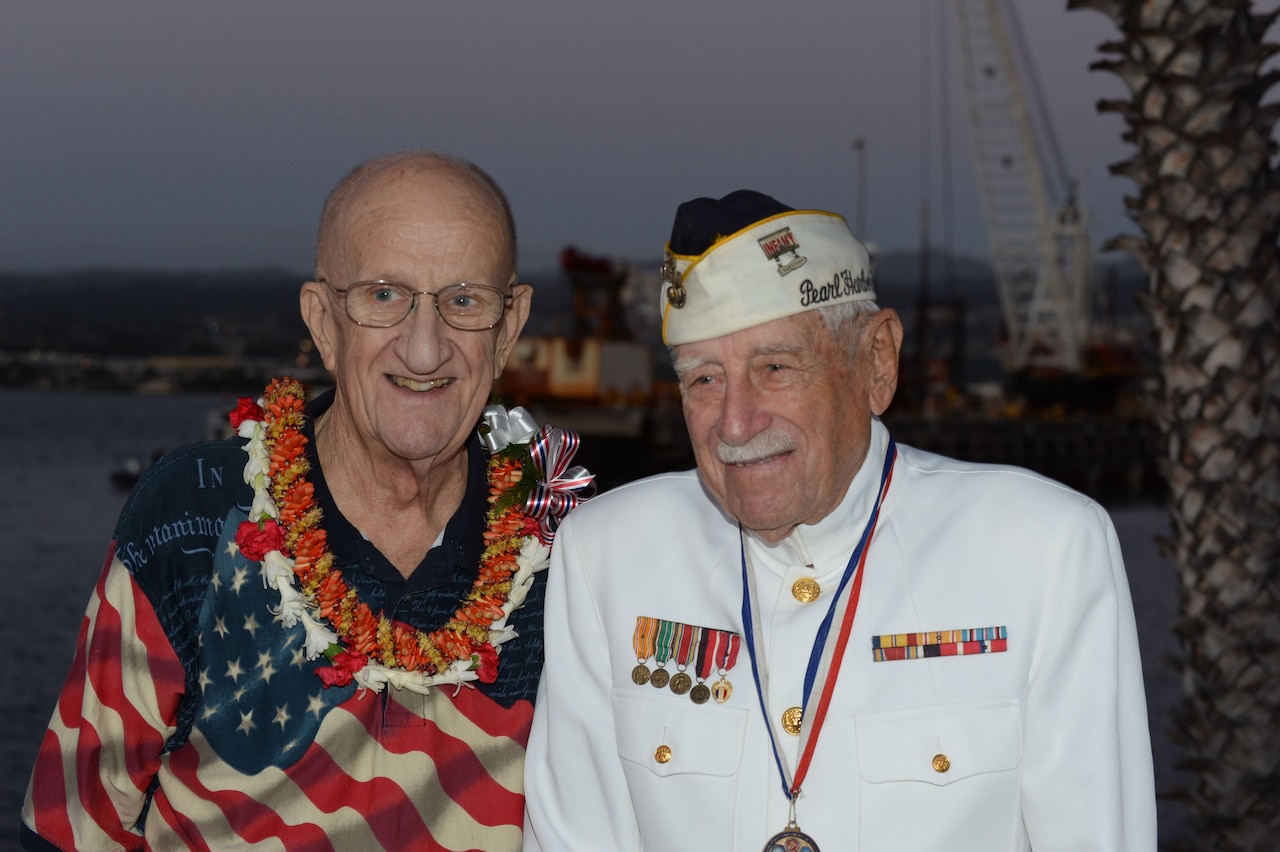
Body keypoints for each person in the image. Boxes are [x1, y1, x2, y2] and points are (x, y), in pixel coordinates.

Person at [523, 190, 1157, 850]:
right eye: (704, 380)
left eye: (775, 367)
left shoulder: (1043, 550)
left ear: (877, 362)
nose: (735, 424)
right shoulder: (607, 555)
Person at [22, 151, 589, 851]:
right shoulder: (193, 518)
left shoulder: (574, 546)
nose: (424, 347)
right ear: (323, 322)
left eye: (464, 301)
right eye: (384, 295)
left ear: (509, 326)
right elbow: (74, 830)